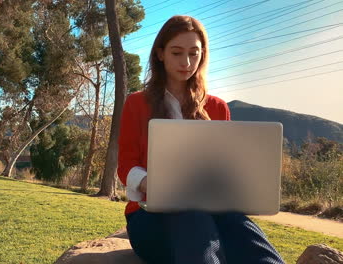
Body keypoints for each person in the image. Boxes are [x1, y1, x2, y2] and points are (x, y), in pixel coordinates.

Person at [117, 15, 285, 264]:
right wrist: (151, 183)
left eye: (193, 53)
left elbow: (224, 168)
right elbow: (126, 166)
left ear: (202, 55)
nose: (186, 62)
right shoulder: (137, 103)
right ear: (161, 53)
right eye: (177, 52)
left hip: (212, 216)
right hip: (151, 220)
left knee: (238, 223)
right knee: (190, 211)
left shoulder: (217, 108)